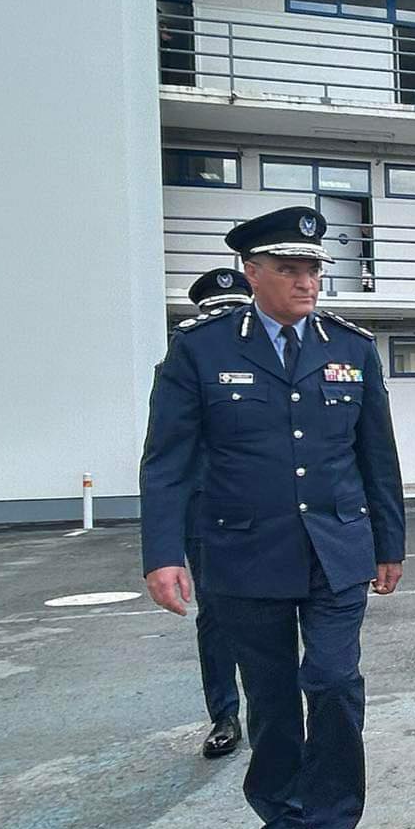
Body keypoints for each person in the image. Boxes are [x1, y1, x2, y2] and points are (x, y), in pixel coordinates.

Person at [140, 209, 404, 829]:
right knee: (273, 697)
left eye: (313, 267)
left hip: (336, 551)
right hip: (244, 555)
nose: (305, 280)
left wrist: (389, 542)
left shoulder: (351, 347)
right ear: (253, 274)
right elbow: (166, 462)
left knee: (336, 684)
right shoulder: (201, 350)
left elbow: (378, 456)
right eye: (288, 268)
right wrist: (163, 554)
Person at [178, 267, 253, 760]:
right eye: (216, 314)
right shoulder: (186, 361)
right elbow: (168, 454)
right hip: (209, 513)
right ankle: (224, 713)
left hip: (276, 512)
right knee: (218, 618)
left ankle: (281, 707)